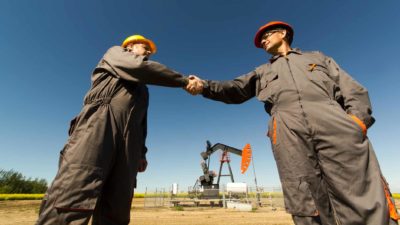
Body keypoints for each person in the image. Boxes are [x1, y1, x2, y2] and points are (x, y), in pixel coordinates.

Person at [185, 21, 399, 225]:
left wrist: (357, 123)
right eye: (260, 41)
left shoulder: (317, 58)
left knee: (357, 185)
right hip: (287, 130)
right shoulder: (262, 72)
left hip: (334, 121)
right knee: (302, 194)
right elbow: (234, 88)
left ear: (283, 33)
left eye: (266, 36)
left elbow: (351, 88)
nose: (262, 42)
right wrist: (204, 85)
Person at [36, 35, 195, 225]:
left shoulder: (143, 89)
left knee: (117, 206)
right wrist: (185, 81)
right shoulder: (115, 54)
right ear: (129, 47)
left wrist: (141, 153)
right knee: (75, 192)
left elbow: (142, 123)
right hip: (98, 126)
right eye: (145, 47)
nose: (149, 52)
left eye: (150, 51)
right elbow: (139, 67)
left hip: (130, 143)